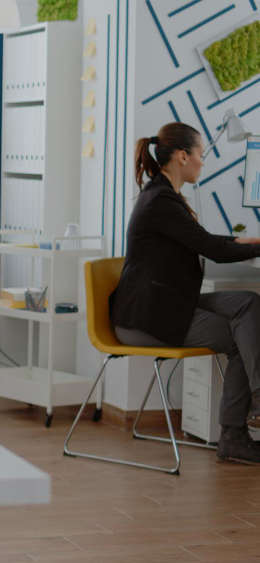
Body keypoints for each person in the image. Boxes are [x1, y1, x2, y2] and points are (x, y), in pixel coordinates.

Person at [111, 122, 260, 465]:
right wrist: (247, 245)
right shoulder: (161, 201)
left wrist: (245, 242)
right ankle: (234, 436)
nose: (202, 163)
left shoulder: (163, 196)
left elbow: (203, 239)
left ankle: (255, 402)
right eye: (200, 155)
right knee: (243, 335)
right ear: (182, 156)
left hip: (167, 305)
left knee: (248, 303)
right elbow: (211, 247)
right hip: (146, 319)